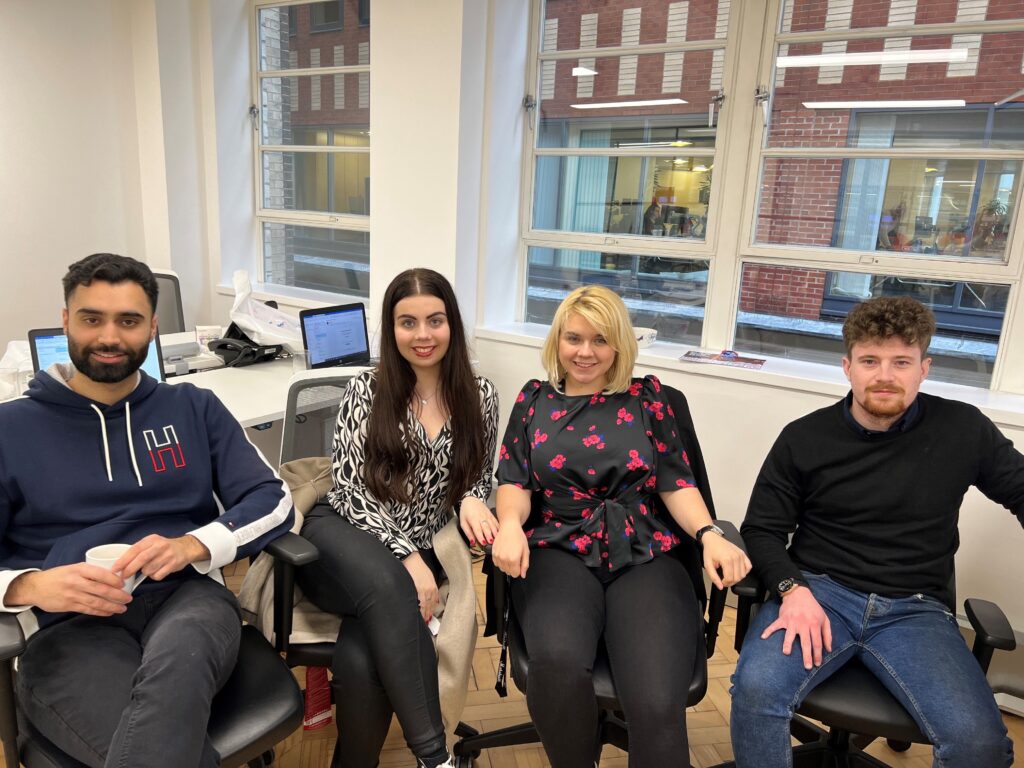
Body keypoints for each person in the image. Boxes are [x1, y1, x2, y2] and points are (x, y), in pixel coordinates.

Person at [0, 253, 294, 768]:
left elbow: (274, 499)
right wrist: (27, 586)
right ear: (66, 320)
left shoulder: (194, 407)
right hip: (68, 627)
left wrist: (194, 544)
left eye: (129, 321)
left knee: (177, 675)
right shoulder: (11, 428)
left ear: (153, 328)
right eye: (92, 318)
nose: (110, 337)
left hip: (190, 601)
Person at [730, 296, 1021, 767]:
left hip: (915, 609)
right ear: (847, 367)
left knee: (980, 745)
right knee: (756, 690)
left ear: (923, 368)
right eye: (870, 360)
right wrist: (792, 589)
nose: (884, 375)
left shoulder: (963, 429)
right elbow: (762, 530)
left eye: (901, 362)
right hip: (820, 594)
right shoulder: (804, 437)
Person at [491, 285, 750, 768]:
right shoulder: (533, 400)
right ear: (557, 341)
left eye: (600, 339)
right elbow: (514, 480)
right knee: (557, 667)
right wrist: (508, 523)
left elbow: (676, 482)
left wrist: (709, 532)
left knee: (656, 701)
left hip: (646, 550)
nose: (585, 352)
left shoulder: (649, 398)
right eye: (573, 338)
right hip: (558, 548)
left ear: (619, 345)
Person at [295, 268, 499, 768]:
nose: (423, 335)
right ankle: (435, 756)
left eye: (435, 320)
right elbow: (347, 489)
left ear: (452, 324)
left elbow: (477, 474)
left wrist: (473, 495)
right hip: (343, 535)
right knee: (393, 589)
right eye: (408, 323)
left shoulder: (482, 395)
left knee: (364, 657)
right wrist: (407, 555)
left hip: (416, 552)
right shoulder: (367, 388)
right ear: (391, 329)